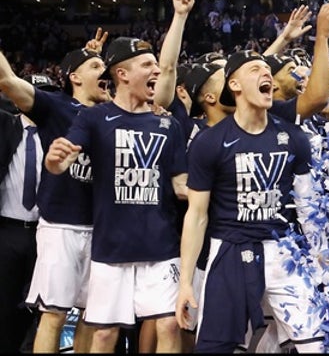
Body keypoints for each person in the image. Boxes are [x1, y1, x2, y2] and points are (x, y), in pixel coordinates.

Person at [44, 36, 189, 352]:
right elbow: (64, 160)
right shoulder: (94, 117)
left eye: (156, 64)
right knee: (105, 335)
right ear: (122, 74)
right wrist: (55, 161)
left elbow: (181, 185)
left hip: (161, 246)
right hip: (112, 247)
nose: (156, 70)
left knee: (168, 325)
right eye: (147, 64)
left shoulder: (170, 125)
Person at [175, 50, 325, 353]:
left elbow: (309, 207)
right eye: (255, 69)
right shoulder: (209, 141)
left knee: (316, 345)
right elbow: (197, 215)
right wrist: (186, 283)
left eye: (267, 69)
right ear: (235, 84)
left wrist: (321, 262)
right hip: (229, 249)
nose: (266, 74)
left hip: (284, 252)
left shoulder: (294, 137)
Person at [0, 30, 111, 353]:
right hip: (61, 226)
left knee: (95, 319)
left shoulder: (115, 115)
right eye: (95, 68)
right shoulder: (54, 106)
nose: (104, 74)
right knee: (53, 316)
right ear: (74, 77)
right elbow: (7, 80)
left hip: (102, 228)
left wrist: (97, 61)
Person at [0, 76, 46, 353]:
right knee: (4, 305)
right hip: (7, 231)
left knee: (39, 308)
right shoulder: (5, 126)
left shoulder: (59, 133)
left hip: (45, 233)